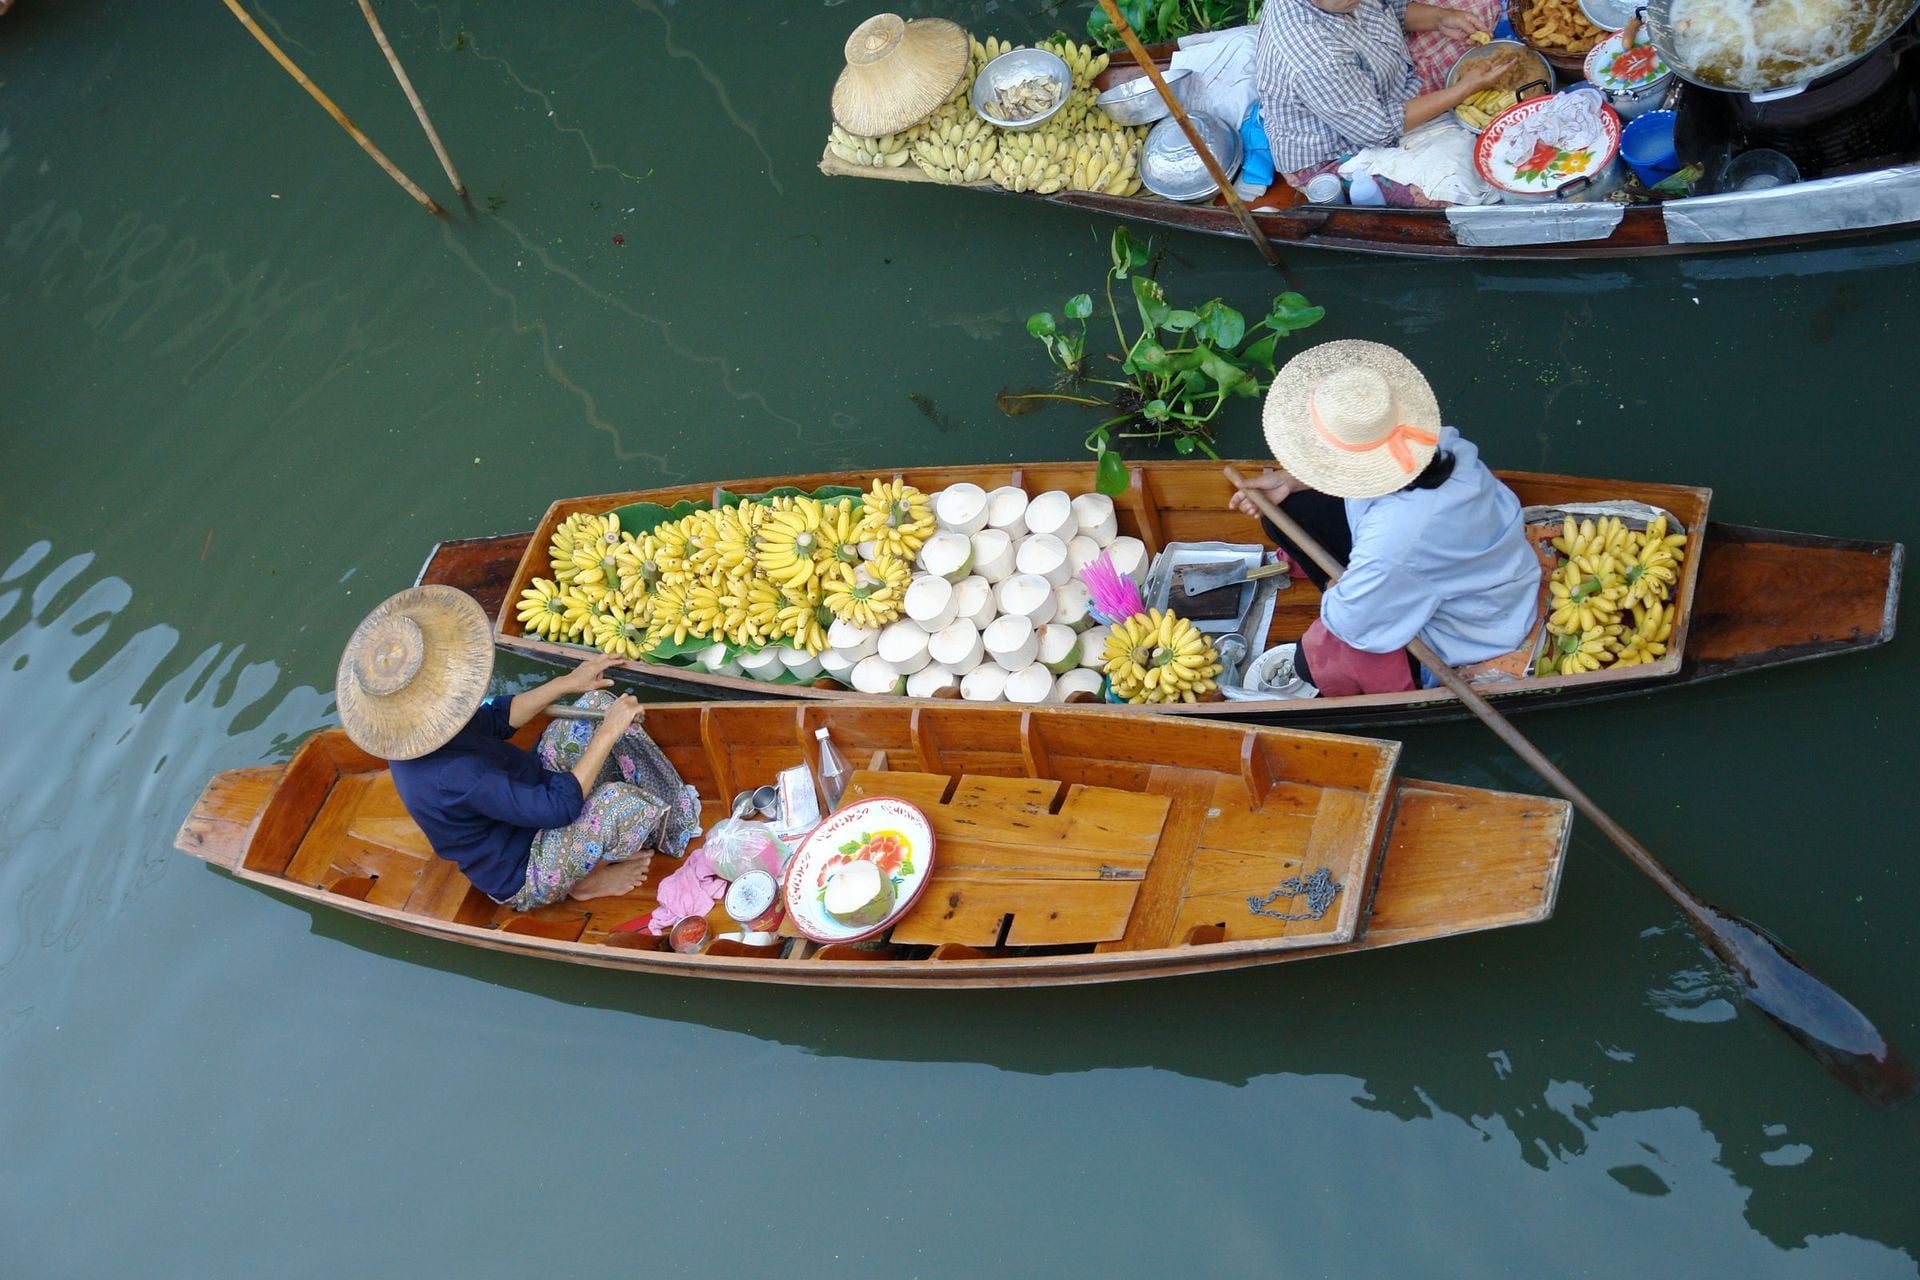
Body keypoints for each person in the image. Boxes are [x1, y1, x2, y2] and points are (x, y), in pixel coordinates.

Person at [335, 586, 701, 911]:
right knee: (619, 804)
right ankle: (585, 883)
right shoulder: (456, 776)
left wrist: (567, 683)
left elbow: (497, 718)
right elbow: (557, 807)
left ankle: (661, 809)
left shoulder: (422, 729)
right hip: (525, 864)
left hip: (527, 791)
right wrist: (607, 734)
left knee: (594, 705)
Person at [1228, 339, 1540, 697]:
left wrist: (1342, 591)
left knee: (1308, 662)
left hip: (1471, 622)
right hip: (1440, 558)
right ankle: (1365, 590)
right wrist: (1292, 480)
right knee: (1286, 513)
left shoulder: (1396, 537)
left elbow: (1348, 623)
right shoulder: (1433, 441)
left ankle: (1370, 598)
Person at [1254, 0, 1506, 205]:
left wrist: (1441, 18)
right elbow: (1379, 127)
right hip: (1340, 149)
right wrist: (1464, 90)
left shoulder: (1336, 5)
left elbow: (1388, 8)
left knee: (1480, 7)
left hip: (1384, 83)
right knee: (1454, 189)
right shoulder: (1314, 58)